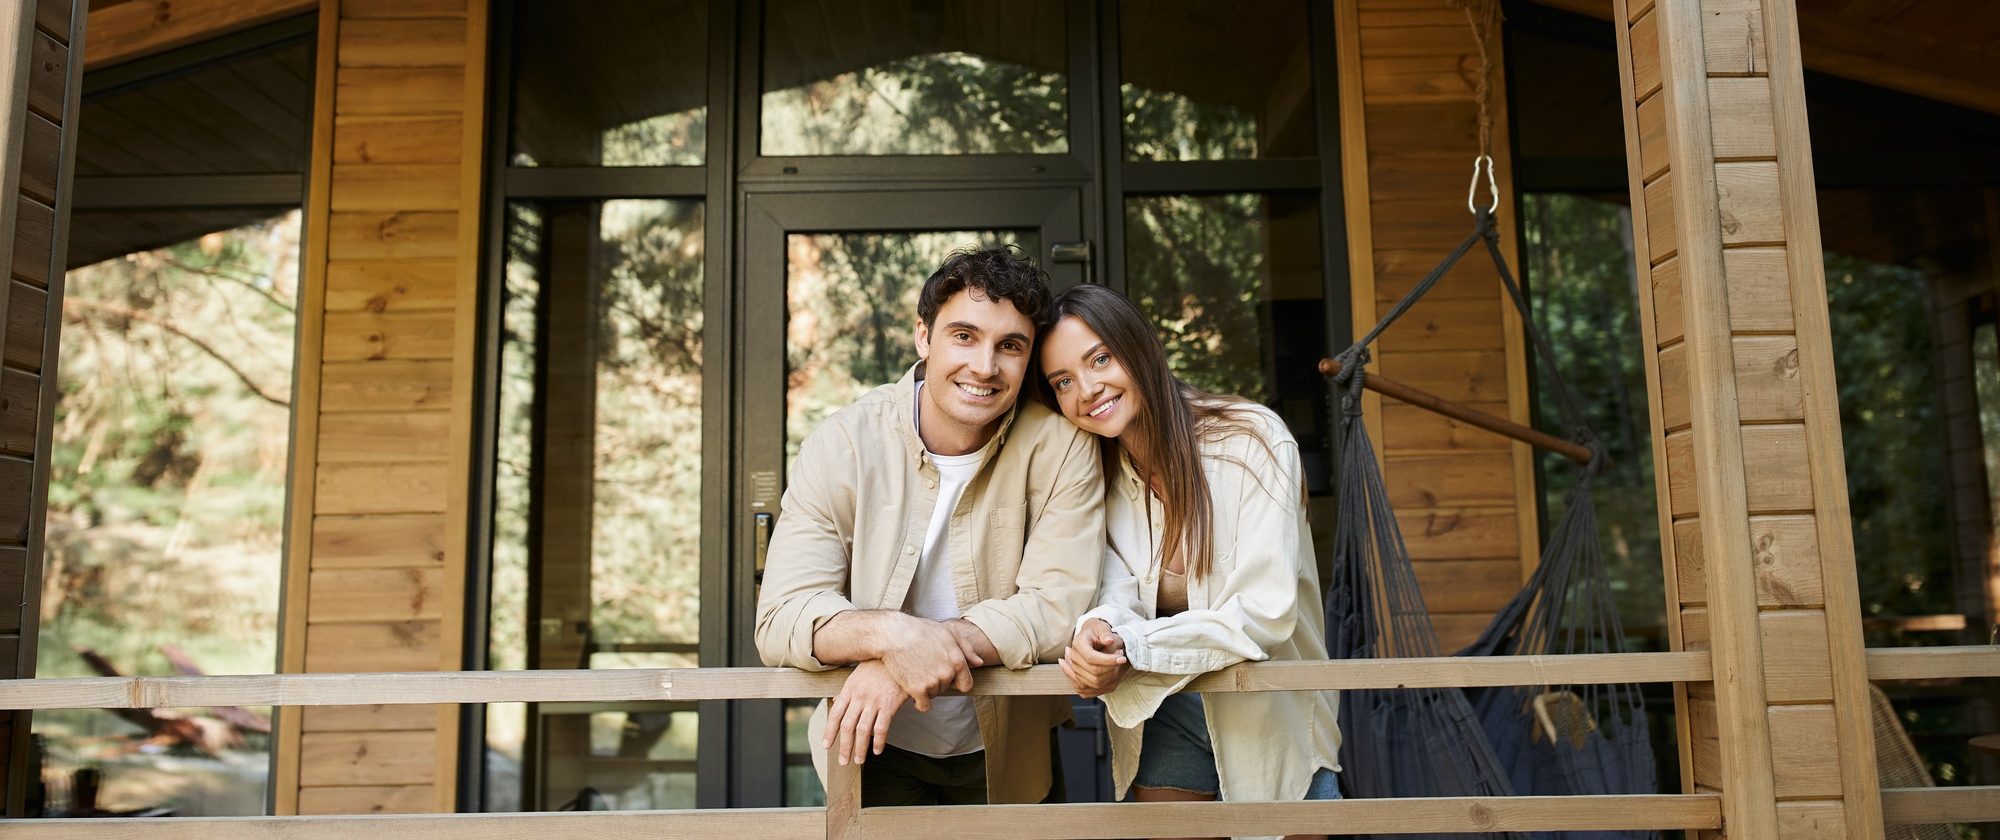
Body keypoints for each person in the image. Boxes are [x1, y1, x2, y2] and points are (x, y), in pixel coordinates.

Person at [754, 246, 1105, 807]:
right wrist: (892, 637)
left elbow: (1058, 606)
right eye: (964, 336)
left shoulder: (1060, 447)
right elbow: (781, 619)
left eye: (1010, 346)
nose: (985, 367)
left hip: (1007, 745)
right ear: (924, 336)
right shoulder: (845, 442)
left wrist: (913, 658)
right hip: (872, 744)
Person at [1037, 284, 1341, 836]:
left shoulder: (1253, 440)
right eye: (1063, 381)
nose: (1087, 389)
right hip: (1167, 707)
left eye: (1100, 358)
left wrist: (1137, 645)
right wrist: (1100, 631)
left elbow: (1266, 612)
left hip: (1273, 713)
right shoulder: (1093, 473)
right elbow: (1114, 589)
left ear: (1139, 347)